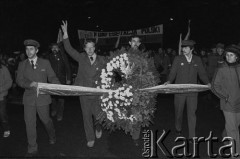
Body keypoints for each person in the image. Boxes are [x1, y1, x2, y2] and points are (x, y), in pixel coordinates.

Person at [61, 21, 104, 148]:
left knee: (99, 116)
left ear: (95, 47)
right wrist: (65, 34)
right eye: (87, 47)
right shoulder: (81, 58)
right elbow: (69, 49)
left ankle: (98, 126)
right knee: (86, 117)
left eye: (92, 47)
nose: (90, 49)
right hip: (84, 93)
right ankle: (90, 138)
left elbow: (114, 67)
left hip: (97, 93)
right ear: (84, 49)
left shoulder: (102, 60)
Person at [16, 39, 60, 157]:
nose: (28, 51)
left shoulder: (45, 63)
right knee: (29, 123)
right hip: (29, 98)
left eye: (31, 49)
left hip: (43, 98)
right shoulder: (22, 64)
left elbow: (52, 77)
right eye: (27, 49)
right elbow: (19, 80)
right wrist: (28, 84)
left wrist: (57, 84)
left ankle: (52, 135)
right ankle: (32, 147)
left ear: (37, 50)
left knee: (46, 120)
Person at [164, 40, 211, 140]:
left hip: (192, 91)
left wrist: (207, 82)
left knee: (192, 114)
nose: (183, 49)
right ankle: (178, 128)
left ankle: (192, 136)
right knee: (178, 112)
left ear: (192, 49)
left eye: (185, 47)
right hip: (180, 91)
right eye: (182, 47)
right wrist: (168, 81)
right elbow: (173, 72)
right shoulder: (178, 58)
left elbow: (202, 73)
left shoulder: (197, 59)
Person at [212, 45, 240, 155]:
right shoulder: (222, 68)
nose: (228, 57)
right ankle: (236, 154)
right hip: (228, 104)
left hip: (239, 103)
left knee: (234, 127)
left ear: (237, 57)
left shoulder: (239, 67)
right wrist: (225, 97)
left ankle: (225, 136)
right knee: (233, 131)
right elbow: (215, 86)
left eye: (231, 55)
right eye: (227, 55)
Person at [47, 43, 72, 121]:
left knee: (61, 98)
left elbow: (68, 68)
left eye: (56, 47)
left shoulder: (63, 57)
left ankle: (60, 113)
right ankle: (54, 109)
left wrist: (69, 79)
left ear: (59, 49)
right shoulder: (48, 57)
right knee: (53, 97)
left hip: (62, 80)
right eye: (53, 47)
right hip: (51, 81)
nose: (54, 49)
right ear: (51, 49)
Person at [0, 61, 12, 138]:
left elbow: (9, 82)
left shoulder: (3, 68)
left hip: (1, 96)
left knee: (2, 114)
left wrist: (1, 89)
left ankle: (6, 129)